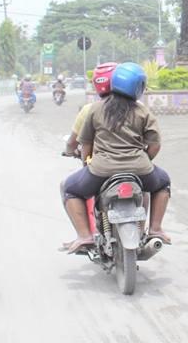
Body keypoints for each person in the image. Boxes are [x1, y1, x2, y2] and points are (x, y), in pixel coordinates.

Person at [60, 62, 171, 254]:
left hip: (101, 171)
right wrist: (144, 159)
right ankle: (155, 228)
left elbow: (85, 143)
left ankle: (85, 235)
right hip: (141, 171)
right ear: (139, 87)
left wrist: (86, 162)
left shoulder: (95, 109)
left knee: (70, 189)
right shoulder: (143, 111)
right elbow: (155, 144)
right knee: (163, 183)